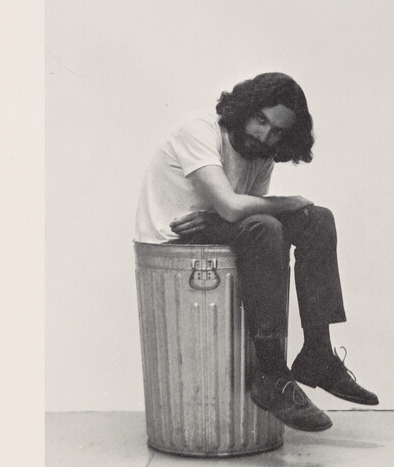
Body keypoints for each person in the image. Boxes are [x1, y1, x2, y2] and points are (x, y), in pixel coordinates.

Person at [135, 72, 379, 432]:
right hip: (174, 238)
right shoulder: (200, 130)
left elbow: (244, 211)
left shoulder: (260, 153)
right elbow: (236, 209)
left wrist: (239, 213)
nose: (264, 135)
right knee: (268, 226)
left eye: (277, 131)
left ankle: (318, 354)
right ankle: (272, 374)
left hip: (215, 228)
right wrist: (287, 201)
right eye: (260, 120)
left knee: (317, 220)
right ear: (244, 109)